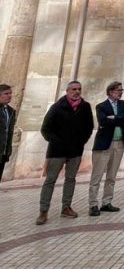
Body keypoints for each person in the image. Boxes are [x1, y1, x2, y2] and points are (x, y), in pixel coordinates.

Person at [36, 81, 94, 225]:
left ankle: (66, 207)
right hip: (57, 151)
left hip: (75, 149)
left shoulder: (85, 107)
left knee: (71, 179)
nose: (77, 92)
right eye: (74, 89)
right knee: (50, 180)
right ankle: (43, 210)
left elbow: (89, 127)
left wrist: (81, 141)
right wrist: (57, 142)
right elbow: (45, 129)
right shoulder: (57, 107)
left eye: (79, 89)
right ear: (67, 90)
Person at [89, 81, 124, 216]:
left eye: (122, 90)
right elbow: (103, 121)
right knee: (97, 176)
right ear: (110, 91)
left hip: (119, 143)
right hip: (104, 145)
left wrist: (114, 118)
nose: (120, 92)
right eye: (118, 90)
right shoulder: (101, 106)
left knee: (112, 175)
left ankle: (107, 202)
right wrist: (121, 119)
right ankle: (93, 204)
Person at [0, 84, 16, 182]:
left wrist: (8, 150)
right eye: (6, 93)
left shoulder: (11, 111)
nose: (9, 96)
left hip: (3, 152)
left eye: (10, 93)